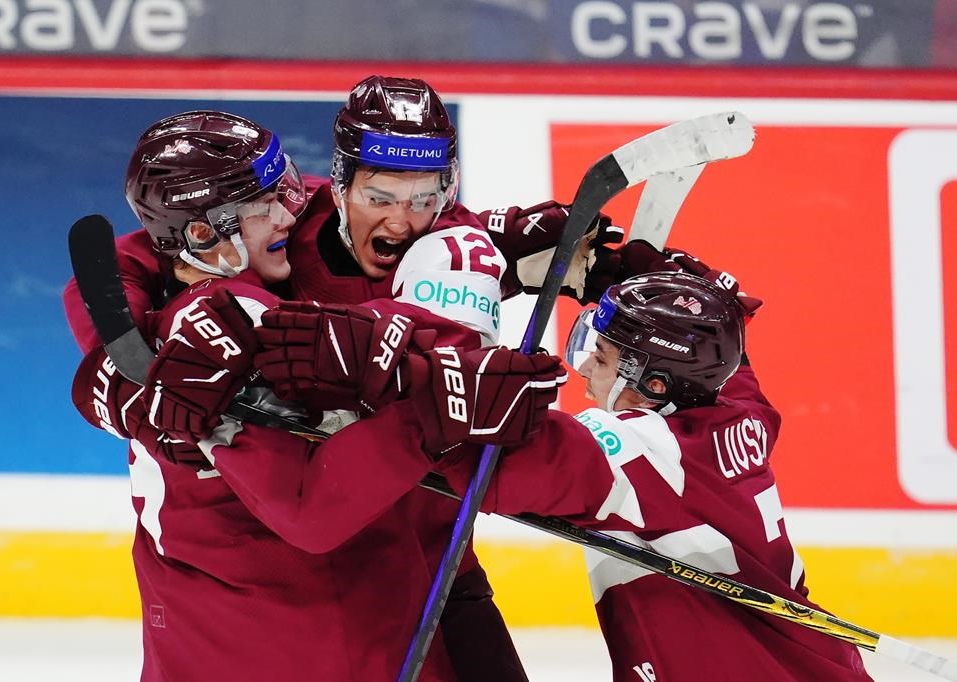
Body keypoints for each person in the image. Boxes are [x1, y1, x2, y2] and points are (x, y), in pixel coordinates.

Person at [65, 74, 639, 681]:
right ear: (342, 185)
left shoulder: (396, 238)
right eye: (382, 195)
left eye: (427, 197)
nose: (404, 220)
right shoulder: (220, 322)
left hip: (418, 562)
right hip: (272, 604)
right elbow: (130, 263)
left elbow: (450, 366)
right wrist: (122, 359)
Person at [284, 261, 872, 680]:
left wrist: (396, 392)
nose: (587, 365)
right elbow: (731, 348)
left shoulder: (640, 452)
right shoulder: (739, 412)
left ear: (655, 384)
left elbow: (500, 466)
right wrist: (680, 281)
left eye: (607, 357)